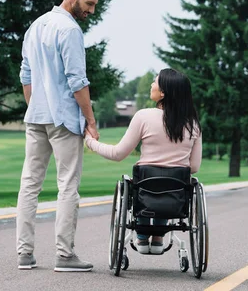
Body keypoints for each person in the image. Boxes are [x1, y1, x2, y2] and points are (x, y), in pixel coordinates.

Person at [16, 0, 101, 272]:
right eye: (89, 4)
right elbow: (78, 81)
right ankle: (65, 256)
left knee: (29, 185)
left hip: (36, 116)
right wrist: (90, 120)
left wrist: (35, 104)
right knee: (67, 186)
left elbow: (25, 75)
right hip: (64, 119)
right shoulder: (70, 30)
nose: (91, 11)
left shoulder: (36, 25)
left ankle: (24, 254)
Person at [85, 68, 202, 254]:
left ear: (163, 92)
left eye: (154, 82)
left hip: (146, 186)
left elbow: (117, 154)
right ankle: (158, 239)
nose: (151, 84)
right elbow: (194, 167)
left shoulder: (144, 116)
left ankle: (142, 237)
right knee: (168, 184)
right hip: (176, 192)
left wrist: (90, 142)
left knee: (144, 185)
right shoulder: (193, 123)